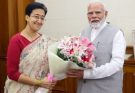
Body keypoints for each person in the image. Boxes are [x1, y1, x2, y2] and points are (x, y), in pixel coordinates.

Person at [67, 0, 126, 93]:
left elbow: (117, 64)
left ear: (106, 13)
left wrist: (87, 74)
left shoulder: (117, 33)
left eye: (97, 12)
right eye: (90, 13)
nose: (94, 15)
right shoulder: (83, 32)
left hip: (107, 89)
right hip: (84, 89)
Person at [4, 2, 56, 93]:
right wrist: (39, 82)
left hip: (41, 90)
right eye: (36, 16)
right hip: (19, 89)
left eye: (42, 18)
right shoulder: (16, 40)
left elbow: (52, 67)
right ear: (27, 17)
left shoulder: (46, 41)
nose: (39, 21)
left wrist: (49, 82)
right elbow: (12, 73)